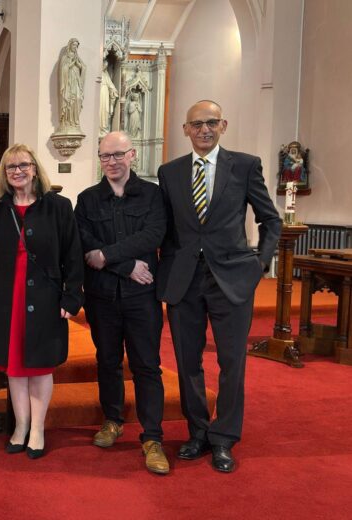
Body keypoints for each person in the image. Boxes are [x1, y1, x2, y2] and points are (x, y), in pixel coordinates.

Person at [157, 100, 281, 473]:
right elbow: (164, 227)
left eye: (211, 122)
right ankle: (198, 432)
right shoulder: (169, 172)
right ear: (185, 130)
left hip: (231, 280)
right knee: (187, 363)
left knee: (232, 363)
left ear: (223, 125)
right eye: (196, 124)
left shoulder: (244, 165)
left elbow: (270, 220)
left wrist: (259, 264)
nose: (204, 130)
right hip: (184, 282)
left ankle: (224, 438)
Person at [0, 144, 83, 460]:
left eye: (23, 165)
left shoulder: (59, 207)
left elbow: (74, 255)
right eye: (10, 167)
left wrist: (72, 295)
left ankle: (37, 428)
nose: (17, 171)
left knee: (39, 367)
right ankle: (20, 426)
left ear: (35, 169)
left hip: (45, 297)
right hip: (7, 298)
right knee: (15, 367)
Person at [74, 132, 168, 474]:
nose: (111, 162)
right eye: (104, 156)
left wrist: (108, 256)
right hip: (102, 297)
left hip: (142, 298)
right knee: (108, 361)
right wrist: (127, 265)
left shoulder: (154, 195)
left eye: (117, 155)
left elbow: (153, 235)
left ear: (132, 155)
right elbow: (84, 241)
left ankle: (152, 436)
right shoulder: (87, 200)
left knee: (146, 365)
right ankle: (112, 420)